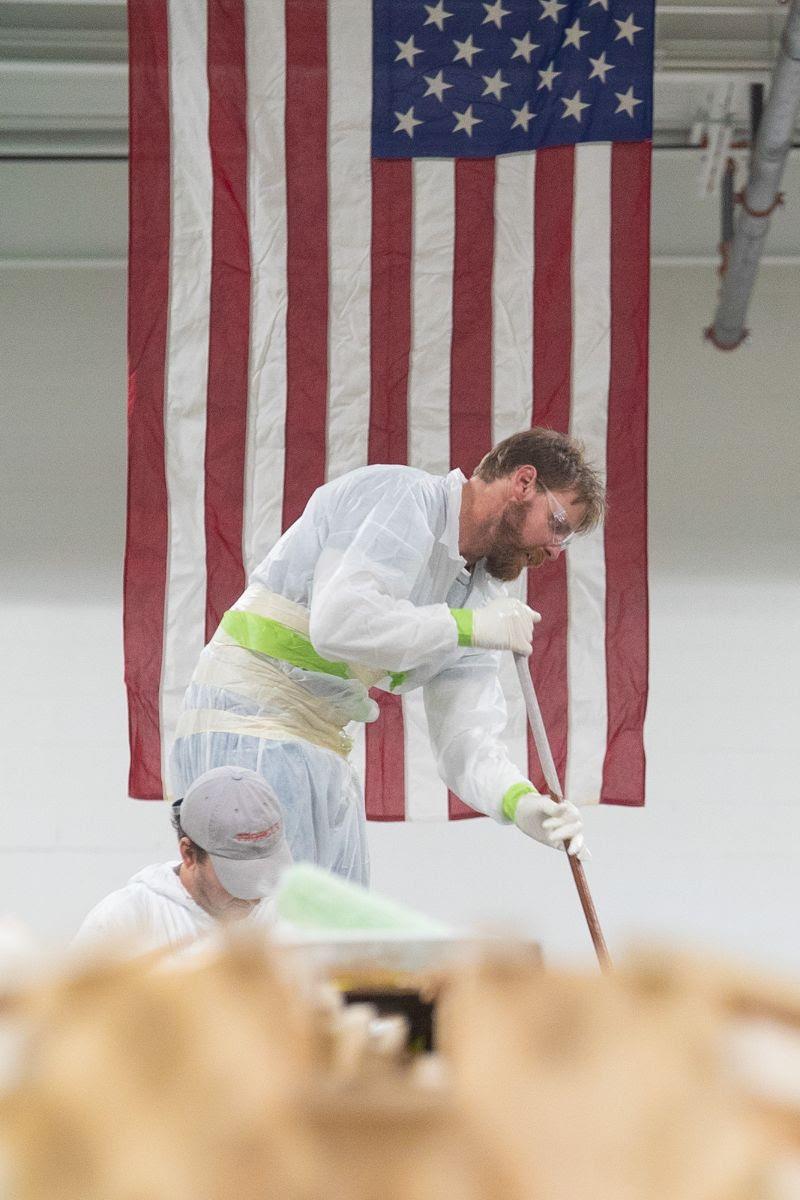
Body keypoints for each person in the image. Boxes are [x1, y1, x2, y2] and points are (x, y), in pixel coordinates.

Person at [170, 427, 605, 886]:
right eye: (558, 525)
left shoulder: (478, 595)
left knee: (344, 933)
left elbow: (465, 738)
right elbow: (339, 622)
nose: (555, 552)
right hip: (243, 726)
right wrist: (467, 629)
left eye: (567, 540)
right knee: (266, 933)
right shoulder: (401, 498)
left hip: (320, 744)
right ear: (523, 483)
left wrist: (520, 802)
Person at [75, 766, 293, 953]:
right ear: (189, 853)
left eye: (263, 873)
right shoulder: (127, 920)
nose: (253, 898)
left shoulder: (284, 918)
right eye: (238, 880)